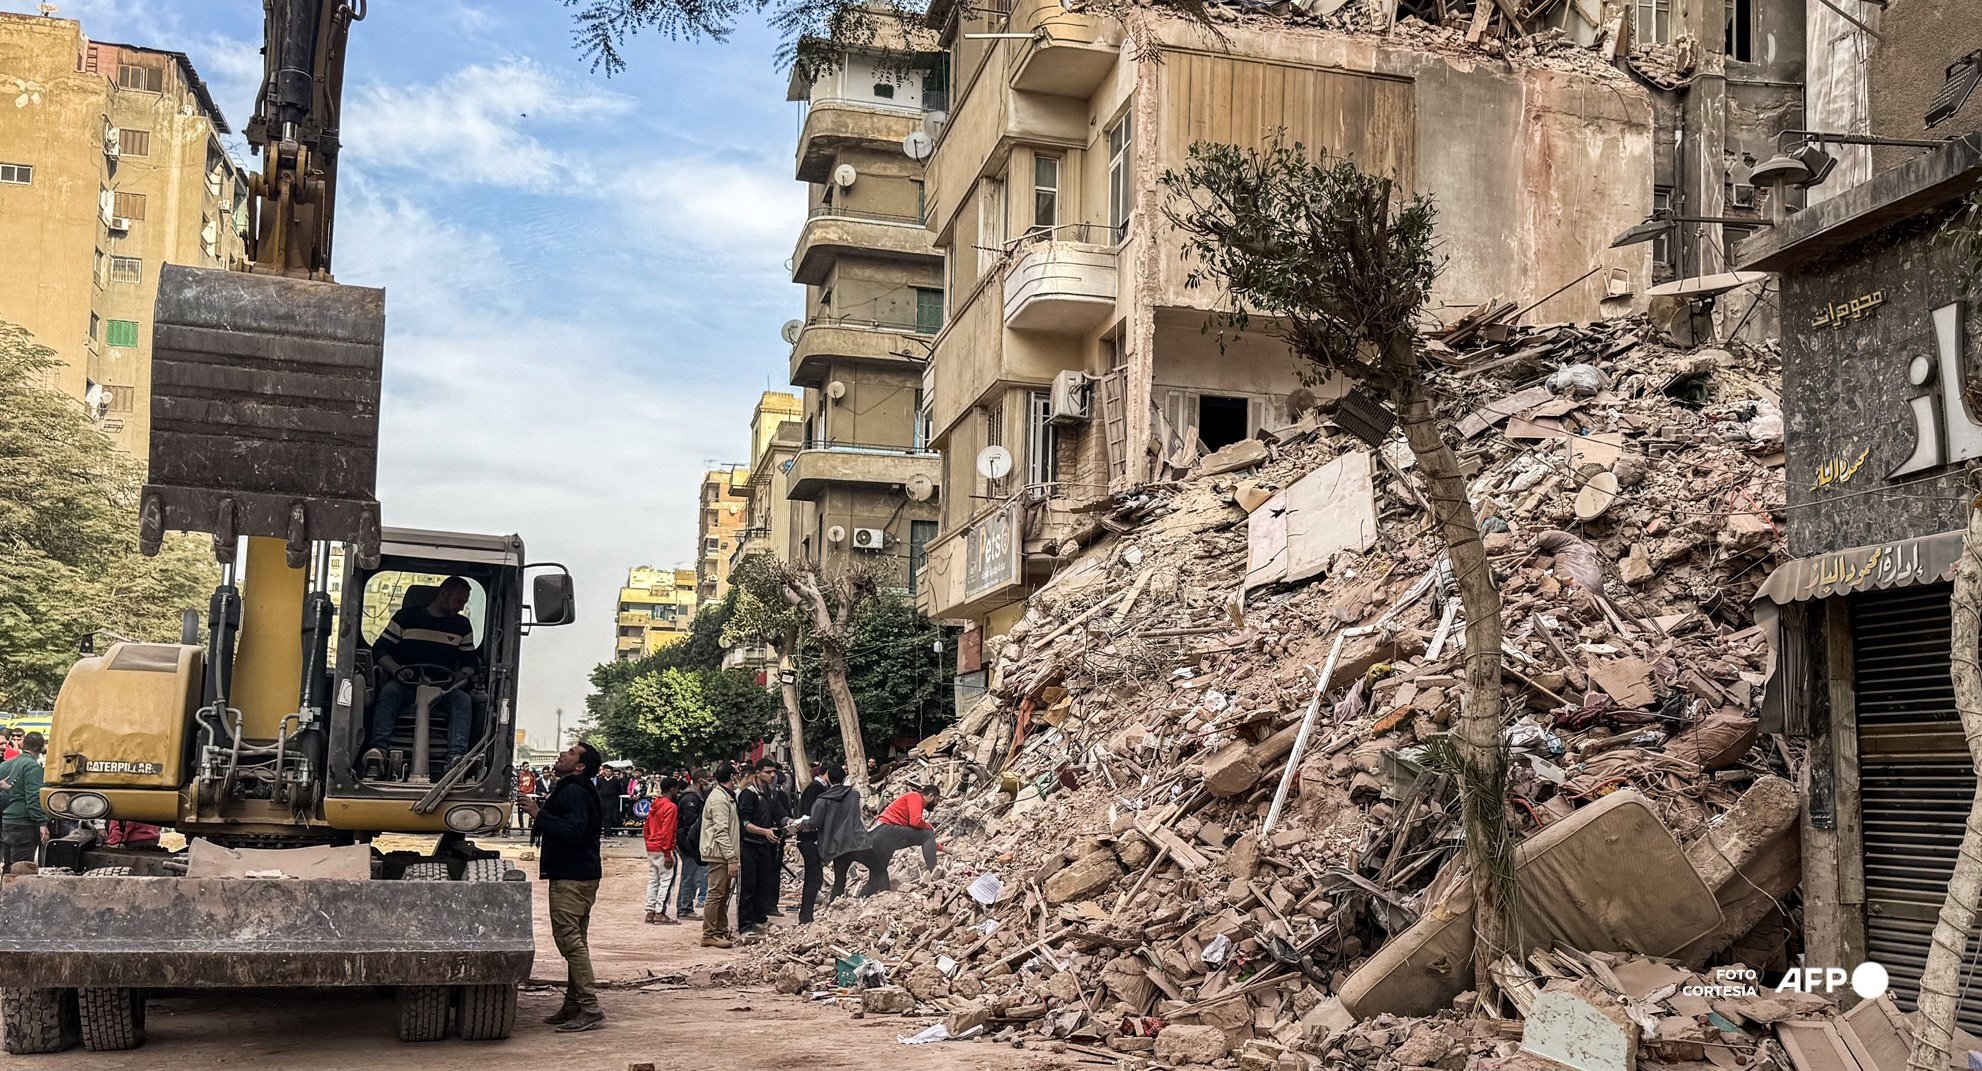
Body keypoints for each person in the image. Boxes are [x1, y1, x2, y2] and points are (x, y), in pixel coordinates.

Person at [516, 740, 607, 1033]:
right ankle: (573, 1004)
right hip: (580, 873)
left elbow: (573, 831)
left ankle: (589, 1006)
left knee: (569, 941)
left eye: (569, 753)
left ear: (579, 766)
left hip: (572, 875)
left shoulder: (575, 791)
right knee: (576, 941)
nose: (561, 755)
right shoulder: (576, 788)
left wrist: (537, 813)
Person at [362, 576, 477, 778]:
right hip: (406, 683)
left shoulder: (462, 626)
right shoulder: (405, 618)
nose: (461, 607)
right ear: (444, 594)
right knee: (389, 693)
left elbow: (470, 662)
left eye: (464, 603)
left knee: (463, 700)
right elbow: (380, 650)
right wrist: (396, 670)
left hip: (444, 688)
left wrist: (463, 674)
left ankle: (456, 757)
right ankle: (378, 752)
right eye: (458, 601)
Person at [860, 784, 944, 897]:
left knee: (877, 878)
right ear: (930, 796)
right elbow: (916, 822)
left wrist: (939, 847)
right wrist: (929, 828)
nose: (937, 804)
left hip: (876, 836)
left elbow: (916, 834)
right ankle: (935, 873)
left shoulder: (910, 801)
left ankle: (859, 899)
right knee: (927, 834)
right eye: (937, 800)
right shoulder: (915, 796)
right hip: (886, 830)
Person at [735, 758, 786, 936]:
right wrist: (764, 831)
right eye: (768, 772)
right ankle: (745, 925)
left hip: (766, 847)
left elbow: (779, 815)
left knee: (764, 884)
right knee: (748, 887)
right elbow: (745, 823)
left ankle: (760, 919)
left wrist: (792, 823)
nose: (772, 775)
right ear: (757, 773)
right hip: (750, 845)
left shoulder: (771, 793)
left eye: (773, 772)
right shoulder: (749, 794)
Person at [806, 764, 870, 905]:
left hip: (837, 846)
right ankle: (869, 896)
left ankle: (835, 906)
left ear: (828, 778)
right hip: (857, 842)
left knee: (839, 880)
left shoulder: (822, 800)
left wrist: (801, 824)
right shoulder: (854, 795)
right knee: (878, 869)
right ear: (844, 777)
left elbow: (814, 822)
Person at [698, 762, 741, 948]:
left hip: (723, 853)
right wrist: (731, 857)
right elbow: (721, 831)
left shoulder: (726, 796)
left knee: (723, 895)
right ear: (732, 777)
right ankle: (709, 934)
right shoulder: (719, 799)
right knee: (716, 894)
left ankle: (720, 931)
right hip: (719, 854)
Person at [0, 732, 49, 871]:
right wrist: (42, 823)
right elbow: (33, 798)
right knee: (21, 868)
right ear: (41, 748)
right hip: (24, 824)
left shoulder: (5, 765)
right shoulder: (33, 767)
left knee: (9, 866)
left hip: (7, 821)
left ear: (22, 744)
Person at [643, 777, 682, 925]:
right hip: (663, 847)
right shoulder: (670, 807)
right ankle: (660, 912)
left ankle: (650, 911)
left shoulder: (655, 804)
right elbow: (668, 830)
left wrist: (649, 842)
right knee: (666, 880)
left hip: (652, 845)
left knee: (654, 879)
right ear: (672, 789)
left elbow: (646, 827)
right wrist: (667, 853)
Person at [795, 765, 830, 924]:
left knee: (814, 877)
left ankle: (806, 915)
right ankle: (805, 917)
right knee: (814, 877)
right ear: (826, 774)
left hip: (809, 838)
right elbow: (809, 816)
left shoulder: (816, 788)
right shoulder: (815, 788)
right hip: (808, 839)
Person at [674, 772, 709, 920]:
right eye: (708, 780)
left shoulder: (696, 796)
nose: (710, 783)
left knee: (693, 876)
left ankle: (685, 906)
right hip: (689, 843)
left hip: (690, 842)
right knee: (690, 877)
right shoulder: (691, 798)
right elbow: (691, 824)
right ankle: (685, 908)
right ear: (701, 781)